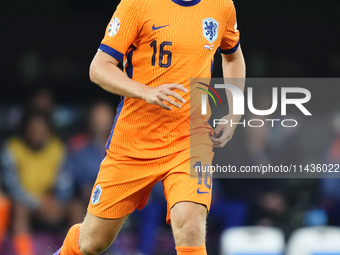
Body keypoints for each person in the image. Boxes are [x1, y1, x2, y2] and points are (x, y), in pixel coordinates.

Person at [54, 0, 245, 254]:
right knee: (92, 243)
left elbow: (232, 57)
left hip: (190, 138)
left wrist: (235, 111)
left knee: (190, 227)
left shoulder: (221, 6)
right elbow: (99, 67)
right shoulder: (136, 4)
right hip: (135, 141)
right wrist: (147, 92)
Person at [2, 111, 65, 255]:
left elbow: (64, 182)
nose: (37, 132)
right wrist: (36, 203)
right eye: (33, 129)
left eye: (41, 129)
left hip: (50, 202)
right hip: (24, 203)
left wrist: (55, 200)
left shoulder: (57, 148)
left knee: (76, 207)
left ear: (48, 130)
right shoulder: (13, 148)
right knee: (19, 210)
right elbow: (12, 187)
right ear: (25, 129)